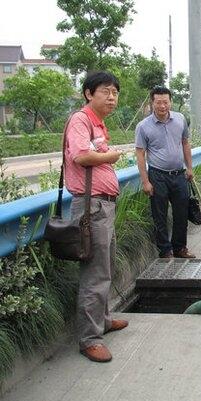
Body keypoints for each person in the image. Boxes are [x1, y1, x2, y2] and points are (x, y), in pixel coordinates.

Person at [64, 71, 128, 363]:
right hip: (91, 208)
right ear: (89, 93)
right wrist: (111, 156)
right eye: (106, 91)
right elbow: (80, 156)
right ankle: (90, 338)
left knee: (106, 265)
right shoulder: (81, 119)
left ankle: (102, 320)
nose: (112, 97)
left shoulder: (98, 123)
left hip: (103, 207)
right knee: (95, 272)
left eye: (115, 92)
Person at [135, 86, 195, 259]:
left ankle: (180, 248)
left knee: (181, 213)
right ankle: (165, 251)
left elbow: (185, 143)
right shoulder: (143, 126)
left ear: (171, 102)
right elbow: (140, 153)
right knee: (159, 215)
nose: (162, 106)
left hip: (179, 174)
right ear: (152, 103)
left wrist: (189, 168)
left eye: (165, 102)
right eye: (158, 102)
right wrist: (145, 181)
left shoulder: (180, 119)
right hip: (157, 176)